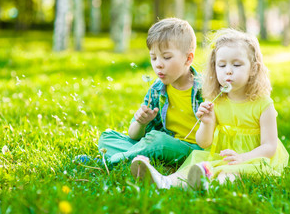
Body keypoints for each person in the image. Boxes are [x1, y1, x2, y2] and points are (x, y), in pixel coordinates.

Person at [130, 28, 289, 189]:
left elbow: (269, 146)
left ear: (253, 68)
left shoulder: (263, 104)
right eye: (221, 65)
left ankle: (211, 187)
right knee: (195, 164)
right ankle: (165, 181)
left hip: (253, 156)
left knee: (230, 173)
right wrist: (206, 123)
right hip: (222, 155)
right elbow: (204, 142)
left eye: (236, 64)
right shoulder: (217, 100)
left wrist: (243, 157)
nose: (228, 70)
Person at [77, 18, 204, 167]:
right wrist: (141, 123)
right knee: (107, 138)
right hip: (158, 145)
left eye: (166, 57)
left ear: (188, 59)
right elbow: (134, 134)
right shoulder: (157, 90)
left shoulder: (205, 90)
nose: (158, 64)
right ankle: (144, 160)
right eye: (153, 57)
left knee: (158, 141)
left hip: (193, 151)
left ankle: (110, 162)